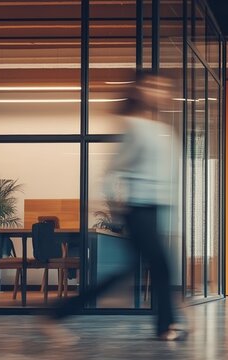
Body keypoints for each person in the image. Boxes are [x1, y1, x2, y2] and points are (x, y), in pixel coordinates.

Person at [44, 71, 185, 341]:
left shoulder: (162, 129)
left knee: (134, 269)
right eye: (153, 86)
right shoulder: (134, 126)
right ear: (140, 91)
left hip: (156, 211)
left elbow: (168, 181)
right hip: (138, 209)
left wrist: (169, 220)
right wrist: (118, 208)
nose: (160, 91)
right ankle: (165, 326)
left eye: (164, 87)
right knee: (159, 266)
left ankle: (58, 313)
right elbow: (112, 171)